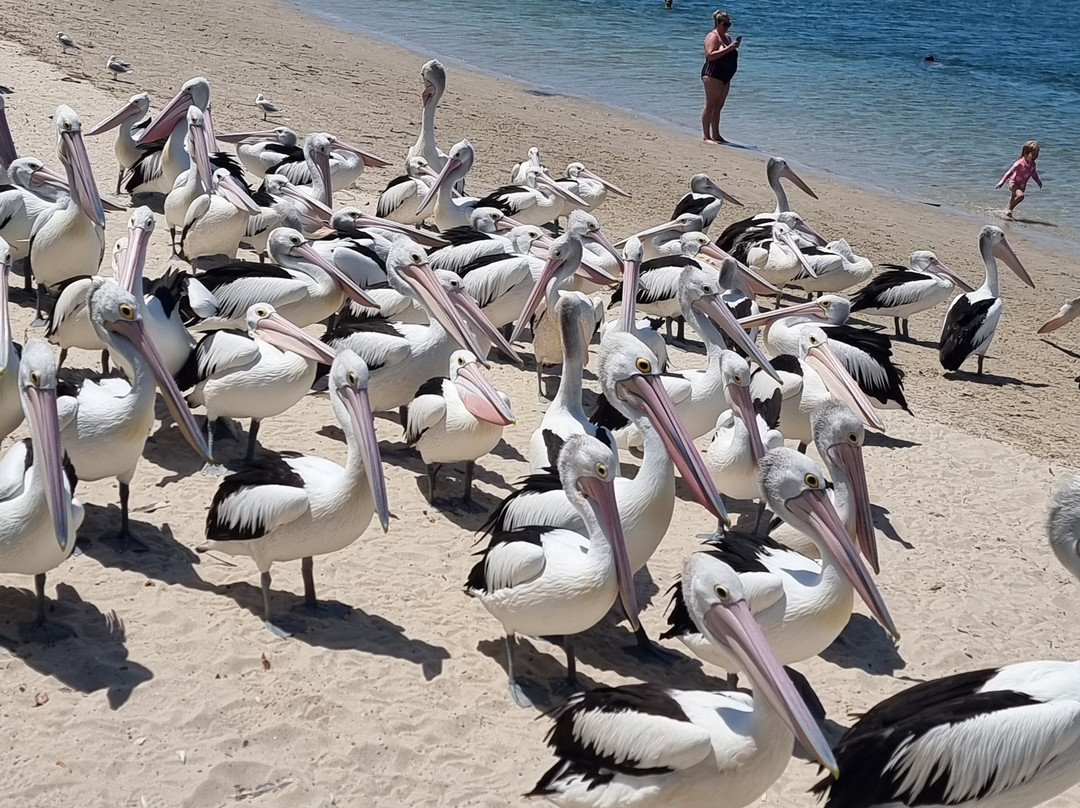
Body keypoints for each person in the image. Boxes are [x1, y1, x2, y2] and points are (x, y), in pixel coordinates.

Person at [700, 10, 740, 144]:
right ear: (717, 23)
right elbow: (710, 55)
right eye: (724, 24)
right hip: (713, 74)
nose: (727, 27)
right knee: (710, 104)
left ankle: (716, 134)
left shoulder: (727, 36)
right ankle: (706, 136)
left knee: (719, 106)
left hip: (725, 75)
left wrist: (732, 47)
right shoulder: (712, 37)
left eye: (729, 24)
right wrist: (729, 49)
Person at [996, 140, 1043, 219]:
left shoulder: (1033, 164)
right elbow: (1009, 172)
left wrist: (1038, 181)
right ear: (1026, 153)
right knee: (1020, 196)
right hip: (1014, 183)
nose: (1035, 157)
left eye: (1036, 155)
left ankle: (1006, 212)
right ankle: (1009, 209)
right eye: (1033, 154)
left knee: (1013, 198)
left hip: (1022, 185)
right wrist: (1002, 182)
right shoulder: (1019, 163)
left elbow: (1033, 173)